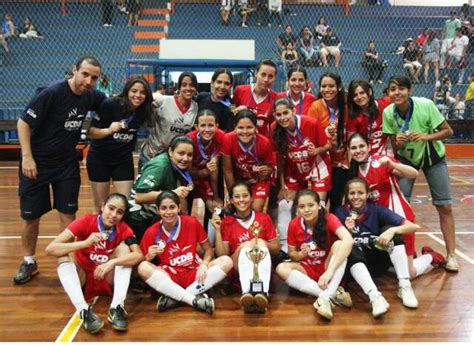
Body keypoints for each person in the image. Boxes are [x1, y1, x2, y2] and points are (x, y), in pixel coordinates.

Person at [13, 56, 106, 285]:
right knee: (30, 216)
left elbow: (115, 102)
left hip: (66, 165)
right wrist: (27, 157)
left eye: (94, 77)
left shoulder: (91, 96)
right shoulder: (51, 93)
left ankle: (66, 262)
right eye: (85, 74)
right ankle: (29, 261)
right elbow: (23, 123)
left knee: (68, 215)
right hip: (37, 163)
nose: (88, 81)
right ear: (74, 70)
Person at [382, 75, 458, 272]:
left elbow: (448, 131)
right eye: (392, 89)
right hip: (407, 160)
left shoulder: (426, 105)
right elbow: (395, 149)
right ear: (388, 93)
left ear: (410, 90)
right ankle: (406, 253)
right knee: (401, 208)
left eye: (401, 89)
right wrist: (397, 142)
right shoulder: (388, 113)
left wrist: (426, 136)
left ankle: (451, 255)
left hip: (433, 158)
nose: (396, 93)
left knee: (445, 206)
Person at [347, 133, 447, 278]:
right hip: (379, 222)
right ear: (349, 151)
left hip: (399, 218)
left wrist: (392, 164)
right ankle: (409, 256)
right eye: (353, 148)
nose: (358, 150)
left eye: (361, 146)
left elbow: (413, 173)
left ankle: (431, 256)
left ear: (369, 147)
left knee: (409, 274)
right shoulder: (353, 172)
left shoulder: (380, 162)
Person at [45, 193, 143, 333]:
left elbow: (138, 255)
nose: (114, 215)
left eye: (119, 212)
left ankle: (117, 307)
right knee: (62, 255)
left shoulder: (124, 229)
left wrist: (113, 262)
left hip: (106, 276)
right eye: (111, 208)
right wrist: (85, 243)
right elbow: (50, 249)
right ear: (102, 207)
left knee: (124, 249)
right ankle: (83, 310)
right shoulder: (85, 221)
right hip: (83, 276)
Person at [335, 178, 420, 318]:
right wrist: (348, 232)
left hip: (377, 262)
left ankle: (405, 286)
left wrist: (392, 231)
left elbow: (413, 226)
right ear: (346, 196)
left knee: (392, 231)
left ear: (368, 194)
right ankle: (375, 297)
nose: (356, 197)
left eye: (360, 193)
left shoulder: (376, 210)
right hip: (355, 266)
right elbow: (337, 245)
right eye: (352, 193)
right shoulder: (340, 212)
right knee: (349, 247)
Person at [138, 191, 233, 314]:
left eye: (172, 207)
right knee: (142, 267)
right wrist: (148, 257)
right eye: (163, 208)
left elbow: (209, 250)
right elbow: (139, 268)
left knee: (227, 261)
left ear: (179, 207)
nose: (168, 212)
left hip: (194, 273)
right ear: (157, 210)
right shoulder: (151, 232)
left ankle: (175, 297)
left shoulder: (191, 222)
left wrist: (204, 264)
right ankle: (193, 299)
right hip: (170, 276)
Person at [275, 190, 353, 320]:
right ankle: (328, 296)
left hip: (327, 267)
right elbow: (293, 255)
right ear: (298, 209)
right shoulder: (294, 224)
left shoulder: (329, 218)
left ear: (319, 205)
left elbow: (349, 240)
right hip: (308, 267)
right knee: (280, 268)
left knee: (340, 245)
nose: (306, 210)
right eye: (302, 206)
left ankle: (326, 297)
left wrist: (329, 271)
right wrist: (301, 253)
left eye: (310, 205)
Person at [270, 98, 331, 250]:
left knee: (317, 207)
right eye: (278, 115)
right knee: (284, 205)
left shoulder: (310, 122)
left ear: (293, 110)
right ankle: (286, 247)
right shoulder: (274, 128)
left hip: (317, 167)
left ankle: (319, 245)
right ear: (274, 115)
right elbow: (279, 159)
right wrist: (282, 184)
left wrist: (316, 151)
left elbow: (328, 145)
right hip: (294, 169)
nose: (283, 117)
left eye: (286, 113)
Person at [211, 181, 280, 313]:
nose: (241, 200)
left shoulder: (264, 218)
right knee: (248, 246)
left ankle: (262, 293)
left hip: (262, 266)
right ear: (231, 200)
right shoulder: (227, 222)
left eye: (245, 195)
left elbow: (276, 250)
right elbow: (222, 255)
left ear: (251, 197)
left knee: (257, 244)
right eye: (237, 197)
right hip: (237, 268)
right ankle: (247, 292)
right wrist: (218, 231)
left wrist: (261, 242)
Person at [87, 76, 153, 213]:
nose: (138, 95)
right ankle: (100, 234)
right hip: (100, 159)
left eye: (142, 93)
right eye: (134, 91)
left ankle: (121, 235)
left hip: (123, 160)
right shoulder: (111, 104)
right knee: (100, 207)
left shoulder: (144, 109)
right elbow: (91, 132)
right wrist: (108, 130)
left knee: (124, 205)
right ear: (127, 91)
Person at [126, 135, 194, 243]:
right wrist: (172, 193)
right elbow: (139, 197)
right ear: (171, 151)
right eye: (181, 153)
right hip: (138, 218)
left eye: (189, 155)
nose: (185, 158)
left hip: (154, 217)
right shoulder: (160, 166)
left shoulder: (178, 165)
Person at [308, 73, 350, 213]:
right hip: (323, 162)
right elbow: (311, 135)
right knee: (319, 204)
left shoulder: (346, 106)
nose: (327, 89)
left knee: (337, 202)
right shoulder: (315, 107)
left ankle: (334, 233)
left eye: (331, 86)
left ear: (338, 87)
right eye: (323, 86)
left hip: (341, 162)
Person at [139, 71, 198, 169]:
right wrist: (148, 105)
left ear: (196, 88)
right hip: (151, 155)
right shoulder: (163, 100)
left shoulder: (195, 108)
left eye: (191, 85)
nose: (188, 88)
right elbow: (142, 97)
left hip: (172, 160)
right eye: (184, 85)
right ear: (179, 88)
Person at [222, 110, 274, 212]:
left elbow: (270, 168)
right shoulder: (227, 139)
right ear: (235, 127)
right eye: (241, 128)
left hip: (258, 181)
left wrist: (267, 171)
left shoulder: (264, 142)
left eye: (249, 127)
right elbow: (228, 170)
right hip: (238, 181)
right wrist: (232, 194)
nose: (245, 132)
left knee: (256, 208)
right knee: (237, 208)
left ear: (255, 128)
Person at [186, 109, 226, 218]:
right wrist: (203, 172)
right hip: (189, 177)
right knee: (184, 209)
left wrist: (215, 196)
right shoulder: (189, 140)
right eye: (203, 125)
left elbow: (214, 170)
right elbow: (186, 171)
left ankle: (210, 232)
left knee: (214, 207)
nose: (207, 129)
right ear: (196, 127)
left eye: (211, 125)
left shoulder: (222, 137)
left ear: (217, 126)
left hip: (209, 176)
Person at [232, 59, 278, 137]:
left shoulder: (276, 98)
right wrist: (236, 111)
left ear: (275, 78)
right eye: (263, 75)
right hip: (240, 139)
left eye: (270, 76)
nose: (266, 79)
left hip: (261, 144)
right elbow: (230, 110)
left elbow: (274, 126)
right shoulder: (240, 91)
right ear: (256, 73)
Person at [347, 79, 393, 156]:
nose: (359, 97)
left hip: (387, 153)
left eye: (362, 93)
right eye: (355, 95)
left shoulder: (385, 103)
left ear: (370, 92)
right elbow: (351, 143)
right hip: (366, 156)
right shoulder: (353, 116)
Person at [195, 68, 234, 132]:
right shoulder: (201, 98)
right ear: (212, 82)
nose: (222, 87)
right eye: (219, 82)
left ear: (231, 86)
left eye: (226, 83)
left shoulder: (231, 107)